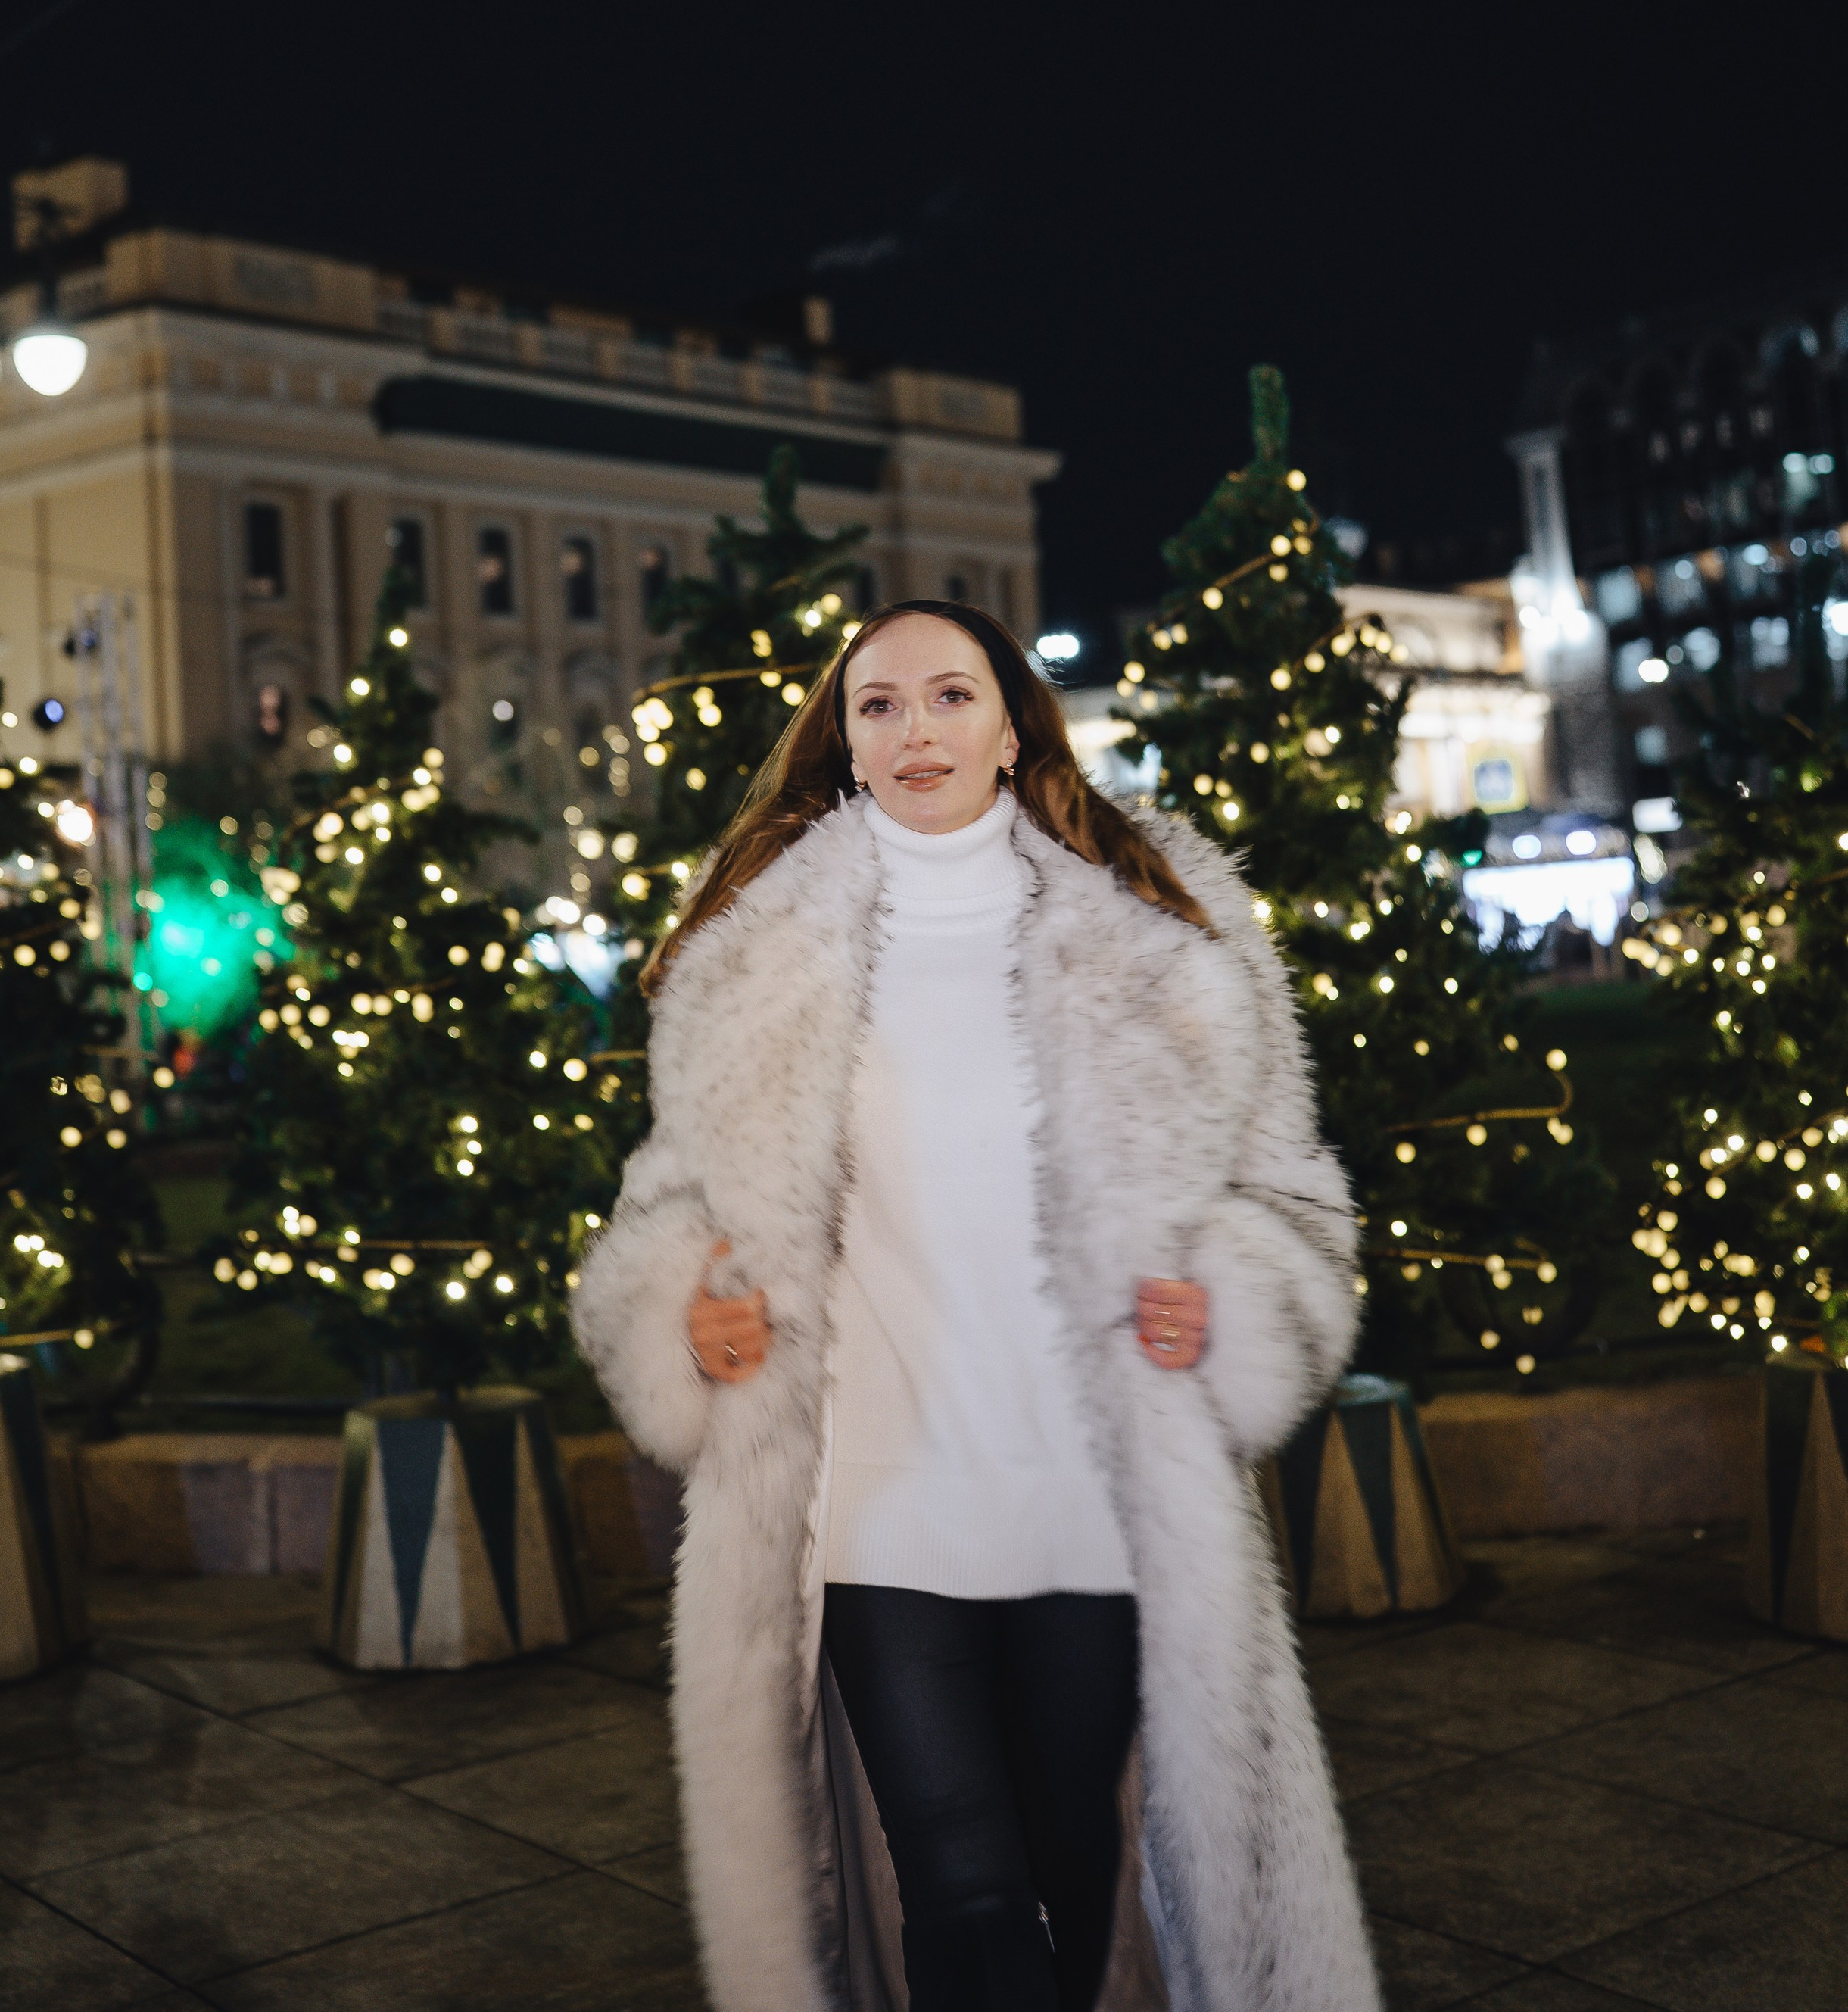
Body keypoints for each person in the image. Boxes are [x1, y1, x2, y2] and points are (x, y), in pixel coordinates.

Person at [574, 599, 1378, 2011]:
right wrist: (686, 1312)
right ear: (845, 739)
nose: (914, 729)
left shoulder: (1161, 923)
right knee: (963, 1878)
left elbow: (1293, 1199)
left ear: (1012, 728)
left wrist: (1229, 1297)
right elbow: (671, 1202)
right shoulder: (756, 949)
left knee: (1075, 1862)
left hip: (1091, 1492)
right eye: (877, 705)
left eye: (950, 696)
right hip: (875, 1495)